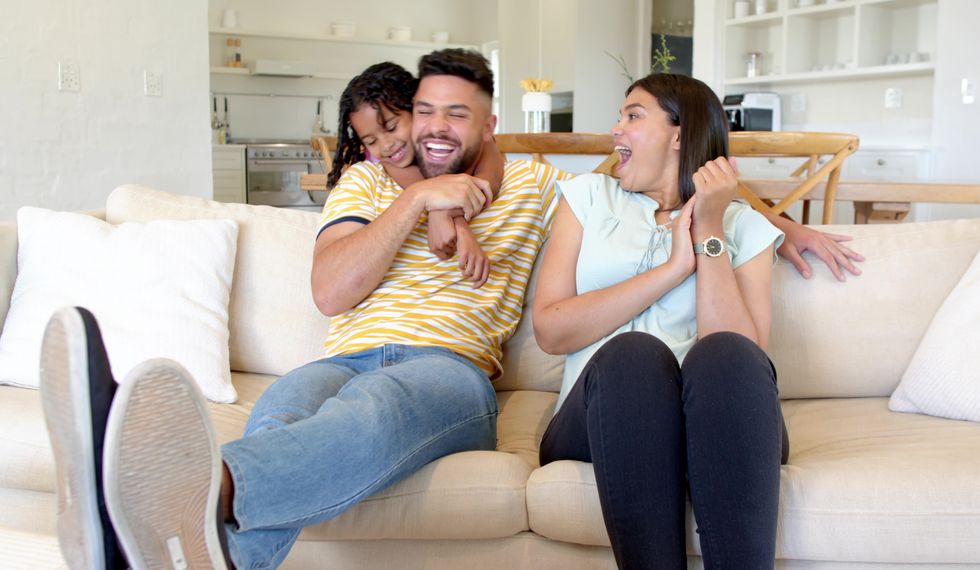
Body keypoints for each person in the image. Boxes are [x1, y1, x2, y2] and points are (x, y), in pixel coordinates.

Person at [43, 48, 570, 570]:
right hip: (341, 362)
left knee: (376, 407)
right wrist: (416, 202)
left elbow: (624, 201)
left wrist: (456, 194)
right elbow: (331, 293)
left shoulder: (531, 184)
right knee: (280, 416)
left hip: (450, 371)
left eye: (451, 115)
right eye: (376, 135)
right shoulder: (365, 183)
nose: (392, 144)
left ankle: (174, 483)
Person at [534, 73, 789, 569]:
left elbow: (742, 362)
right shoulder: (587, 198)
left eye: (633, 115)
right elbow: (551, 330)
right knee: (633, 356)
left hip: (718, 423)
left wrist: (708, 229)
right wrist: (673, 269)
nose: (615, 130)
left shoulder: (745, 227)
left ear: (679, 133)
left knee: (729, 353)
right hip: (599, 416)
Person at [327, 62, 506, 287]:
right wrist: (458, 225)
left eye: (392, 127)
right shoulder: (383, 165)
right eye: (371, 141)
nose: (387, 145)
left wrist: (446, 212)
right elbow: (427, 190)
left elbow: (489, 154)